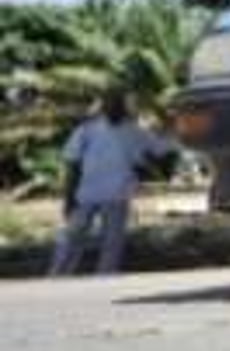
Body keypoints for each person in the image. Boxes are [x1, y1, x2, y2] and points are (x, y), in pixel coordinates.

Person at [47, 88, 178, 276]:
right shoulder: (87, 130)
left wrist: (177, 129)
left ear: (124, 107)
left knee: (112, 241)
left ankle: (105, 278)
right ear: (104, 106)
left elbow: (160, 147)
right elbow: (72, 163)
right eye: (111, 104)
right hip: (86, 194)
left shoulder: (134, 130)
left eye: (119, 104)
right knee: (72, 237)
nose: (115, 108)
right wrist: (68, 197)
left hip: (117, 195)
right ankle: (57, 276)